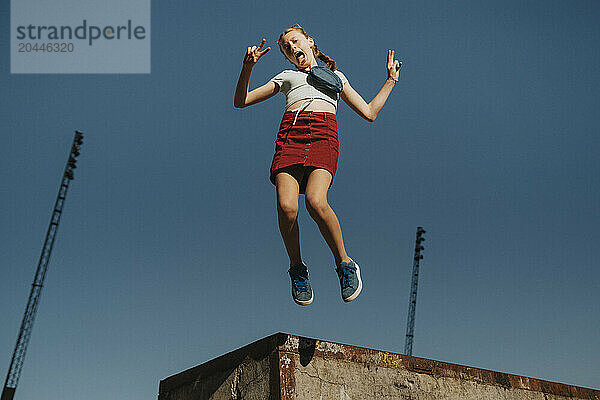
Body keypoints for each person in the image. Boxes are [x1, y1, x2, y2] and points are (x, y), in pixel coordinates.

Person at [234, 24, 401, 306]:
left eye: (295, 41)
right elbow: (241, 101)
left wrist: (390, 80)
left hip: (324, 136)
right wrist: (247, 67)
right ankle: (297, 269)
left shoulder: (336, 76)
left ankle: (345, 264)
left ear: (309, 42)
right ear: (286, 57)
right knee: (287, 207)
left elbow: (369, 113)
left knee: (315, 201)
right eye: (287, 48)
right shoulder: (286, 76)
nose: (292, 48)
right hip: (291, 136)